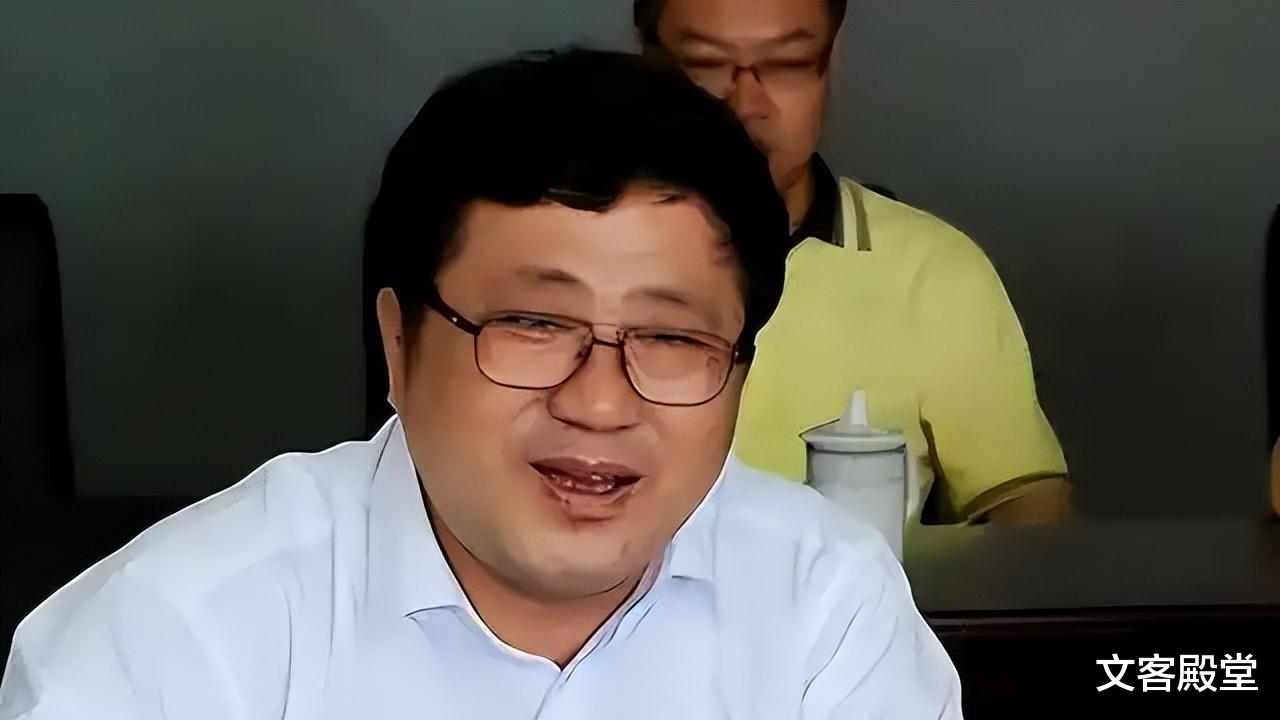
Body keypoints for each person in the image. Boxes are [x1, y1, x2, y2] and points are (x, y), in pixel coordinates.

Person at [0, 50, 961, 718]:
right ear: (398, 345)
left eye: (672, 336)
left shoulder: (825, 603)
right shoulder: (174, 633)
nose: (600, 403)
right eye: (534, 324)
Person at [634, 0, 1071, 524]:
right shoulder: (574, 252)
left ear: (831, 61)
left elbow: (1030, 516)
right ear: (647, 66)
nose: (747, 104)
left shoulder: (931, 270)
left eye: (788, 63)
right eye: (705, 65)